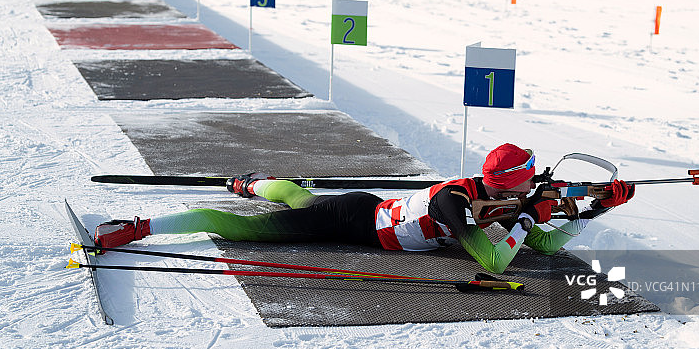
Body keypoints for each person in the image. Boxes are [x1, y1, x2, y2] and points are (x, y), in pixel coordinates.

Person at [93, 143, 635, 274]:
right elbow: (492, 261)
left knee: (296, 195)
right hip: (352, 221)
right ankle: (138, 227)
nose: (530, 196)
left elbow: (539, 243)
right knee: (239, 233)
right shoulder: (454, 202)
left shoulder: (499, 200)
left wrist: (587, 213)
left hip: (371, 207)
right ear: (508, 187)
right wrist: (524, 216)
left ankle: (253, 181)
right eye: (525, 190)